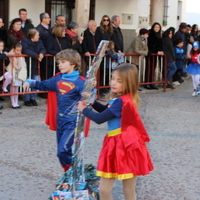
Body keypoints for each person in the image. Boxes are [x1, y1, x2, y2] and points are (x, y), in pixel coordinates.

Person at [77, 63, 153, 200]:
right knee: (117, 190)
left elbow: (100, 118)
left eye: (119, 81)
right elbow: (105, 111)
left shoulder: (120, 101)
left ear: (129, 83)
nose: (113, 83)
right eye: (112, 78)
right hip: (118, 144)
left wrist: (84, 110)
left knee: (121, 190)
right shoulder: (120, 99)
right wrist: (92, 102)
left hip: (123, 146)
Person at [23, 49, 85, 172]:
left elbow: (90, 99)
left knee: (63, 150)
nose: (59, 65)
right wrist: (29, 81)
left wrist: (89, 95)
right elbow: (42, 85)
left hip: (73, 122)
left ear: (73, 63)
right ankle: (70, 174)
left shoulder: (81, 82)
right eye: (58, 62)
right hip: (60, 121)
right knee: (61, 152)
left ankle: (73, 173)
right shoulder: (57, 79)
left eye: (63, 62)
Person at [21, 28, 46, 106]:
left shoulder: (39, 42)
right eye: (37, 35)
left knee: (35, 82)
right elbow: (26, 50)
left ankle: (33, 98)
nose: (38, 37)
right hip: (27, 64)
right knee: (27, 82)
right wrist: (36, 55)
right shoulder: (25, 41)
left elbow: (43, 48)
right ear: (32, 36)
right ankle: (27, 99)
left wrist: (42, 53)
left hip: (36, 65)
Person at [6, 43, 27, 108]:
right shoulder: (11, 55)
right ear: (14, 49)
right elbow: (14, 65)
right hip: (13, 72)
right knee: (13, 88)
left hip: (18, 73)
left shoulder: (20, 56)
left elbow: (22, 64)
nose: (18, 52)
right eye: (17, 50)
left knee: (17, 88)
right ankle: (13, 103)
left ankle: (16, 102)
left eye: (20, 50)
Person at [146, 22, 164, 90]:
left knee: (153, 69)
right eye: (156, 27)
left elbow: (160, 45)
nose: (157, 28)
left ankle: (152, 83)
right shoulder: (150, 34)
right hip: (151, 54)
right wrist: (157, 51)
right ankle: (147, 83)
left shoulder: (159, 35)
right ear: (153, 27)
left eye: (158, 27)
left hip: (155, 55)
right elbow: (150, 45)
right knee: (149, 69)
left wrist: (161, 51)